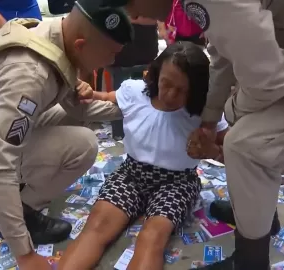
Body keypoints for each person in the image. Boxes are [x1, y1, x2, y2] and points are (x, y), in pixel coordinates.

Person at [114, 0, 284, 269]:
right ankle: (261, 217)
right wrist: (208, 120)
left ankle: (249, 262)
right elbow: (223, 55)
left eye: (128, 3)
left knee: (245, 146)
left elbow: (270, 83)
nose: (133, 15)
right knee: (248, 109)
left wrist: (231, 111)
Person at [0, 1, 133, 269]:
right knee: (84, 144)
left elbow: (79, 108)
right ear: (81, 45)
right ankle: (18, 212)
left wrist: (137, 108)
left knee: (72, 116)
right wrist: (25, 254)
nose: (112, 62)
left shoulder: (53, 35)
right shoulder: (30, 74)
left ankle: (15, 196)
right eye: (110, 54)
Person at [57, 42, 229, 270]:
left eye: (182, 90)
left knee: (151, 238)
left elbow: (234, 154)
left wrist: (212, 151)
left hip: (177, 182)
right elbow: (105, 97)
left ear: (197, 90)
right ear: (155, 73)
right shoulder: (134, 91)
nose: (170, 95)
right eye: (166, 83)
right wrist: (89, 92)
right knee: (96, 228)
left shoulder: (207, 111)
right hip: (132, 174)